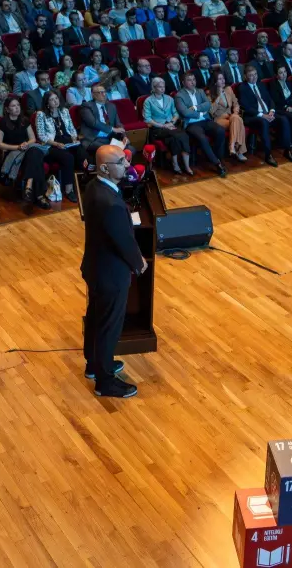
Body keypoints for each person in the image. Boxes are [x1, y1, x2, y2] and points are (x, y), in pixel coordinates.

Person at [80, 145, 147, 399]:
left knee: (96, 319)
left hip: (96, 268)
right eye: (121, 161)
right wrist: (139, 263)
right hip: (111, 274)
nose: (127, 165)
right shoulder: (111, 204)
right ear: (105, 168)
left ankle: (94, 365)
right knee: (108, 327)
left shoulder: (94, 187)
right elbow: (123, 241)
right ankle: (105, 382)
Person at [0, 96, 49, 207]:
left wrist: (26, 144)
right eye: (13, 106)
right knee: (36, 157)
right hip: (13, 152)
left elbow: (32, 139)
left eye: (18, 105)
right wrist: (17, 147)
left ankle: (29, 186)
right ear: (7, 109)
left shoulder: (24, 120)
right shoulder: (2, 123)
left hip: (27, 149)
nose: (17, 108)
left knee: (34, 152)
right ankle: (39, 196)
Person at [238, 65, 292, 166]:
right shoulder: (242, 88)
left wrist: (272, 111)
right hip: (253, 116)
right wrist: (262, 115)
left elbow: (270, 100)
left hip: (268, 113)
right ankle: (268, 155)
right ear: (245, 77)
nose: (254, 77)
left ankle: (288, 150)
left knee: (283, 119)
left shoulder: (261, 84)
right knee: (264, 122)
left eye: (255, 74)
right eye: (251, 75)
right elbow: (246, 107)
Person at [174, 72, 227, 177]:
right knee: (202, 138)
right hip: (191, 123)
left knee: (220, 131)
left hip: (205, 120)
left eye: (194, 79)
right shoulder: (179, 96)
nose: (193, 82)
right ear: (183, 82)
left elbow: (208, 105)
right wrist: (200, 113)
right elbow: (185, 112)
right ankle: (217, 163)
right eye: (189, 80)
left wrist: (195, 108)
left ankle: (216, 156)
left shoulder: (200, 91)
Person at [143, 76, 192, 174]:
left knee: (173, 139)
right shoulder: (148, 101)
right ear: (154, 88)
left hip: (171, 125)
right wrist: (163, 126)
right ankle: (183, 165)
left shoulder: (169, 98)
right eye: (160, 87)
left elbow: (176, 113)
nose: (162, 89)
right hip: (157, 128)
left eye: (163, 87)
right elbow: (147, 119)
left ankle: (180, 165)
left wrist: (171, 122)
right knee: (182, 135)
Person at [208, 71, 247, 162]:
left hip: (231, 116)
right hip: (218, 119)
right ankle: (239, 151)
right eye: (220, 79)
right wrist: (218, 97)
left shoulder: (228, 89)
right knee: (239, 121)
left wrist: (235, 112)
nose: (223, 81)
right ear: (215, 82)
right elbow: (211, 111)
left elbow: (236, 103)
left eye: (223, 78)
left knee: (236, 118)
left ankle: (232, 146)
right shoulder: (209, 93)